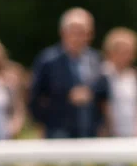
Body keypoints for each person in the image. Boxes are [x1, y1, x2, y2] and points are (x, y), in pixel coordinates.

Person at [28, 8, 103, 138]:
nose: (78, 37)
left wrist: (90, 94)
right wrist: (66, 97)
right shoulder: (48, 60)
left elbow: (102, 91)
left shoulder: (95, 59)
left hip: (88, 128)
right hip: (58, 129)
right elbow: (36, 96)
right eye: (74, 32)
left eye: (83, 32)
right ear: (63, 32)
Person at [95, 28, 137, 138]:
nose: (125, 56)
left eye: (129, 51)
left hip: (134, 134)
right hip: (110, 135)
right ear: (111, 51)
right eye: (121, 51)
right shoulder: (102, 75)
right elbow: (102, 105)